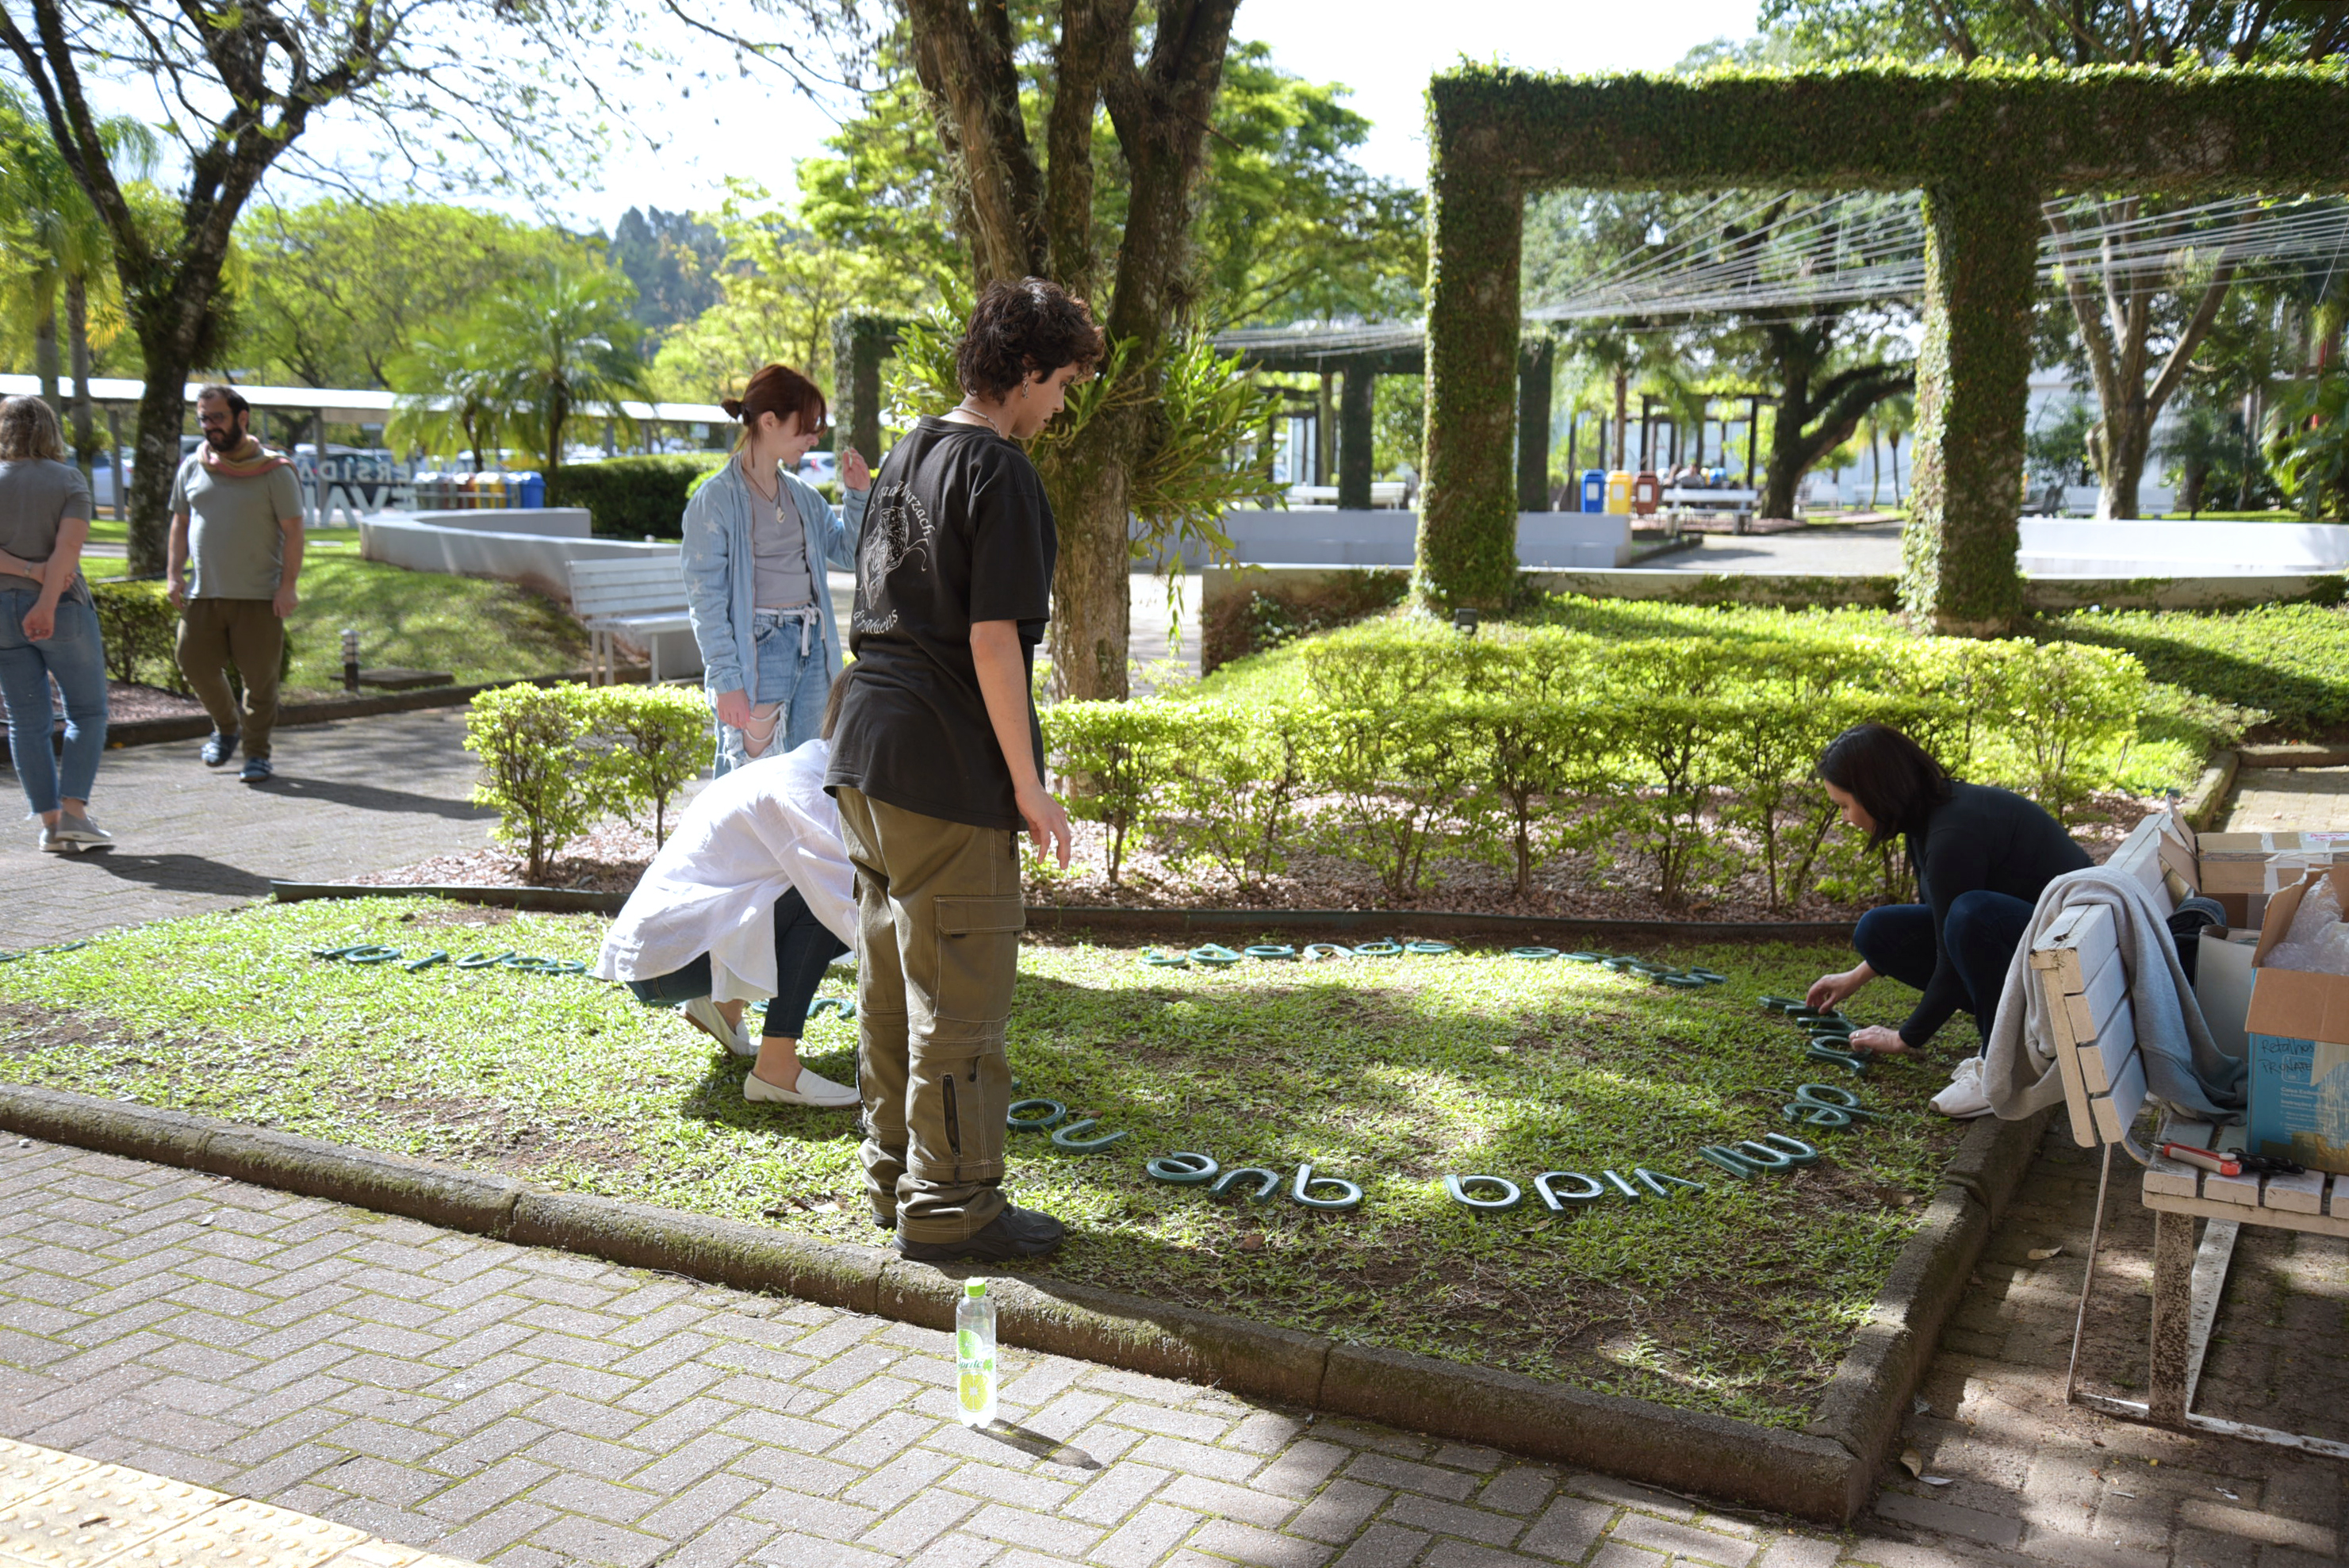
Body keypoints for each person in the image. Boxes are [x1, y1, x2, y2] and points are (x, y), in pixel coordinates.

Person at [826, 278, 1096, 1264]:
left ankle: (891, 1172)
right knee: (963, 992)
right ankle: (951, 1206)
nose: (1061, 403)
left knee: (893, 976)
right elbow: (993, 641)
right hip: (940, 760)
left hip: (863, 749)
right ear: (1024, 371)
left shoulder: (908, 455)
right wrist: (1027, 784)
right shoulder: (1001, 470)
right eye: (1061, 381)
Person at [593, 679, 861, 1109]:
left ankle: (720, 1008)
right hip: (667, 966)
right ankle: (776, 1070)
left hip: (663, 955)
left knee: (793, 890)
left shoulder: (793, 767)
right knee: (820, 902)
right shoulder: (807, 791)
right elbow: (842, 906)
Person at [1806, 722, 2092, 1118]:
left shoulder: (1951, 835)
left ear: (1876, 793)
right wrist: (1855, 977)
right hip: (2046, 948)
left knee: (1971, 916)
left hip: (2074, 973)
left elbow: (1955, 948)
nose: (1846, 819)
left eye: (1845, 805)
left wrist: (1905, 1038)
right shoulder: (1931, 816)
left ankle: (2003, 1065)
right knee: (1878, 931)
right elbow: (1942, 930)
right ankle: (2007, 1043)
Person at [682, 364, 870, 776]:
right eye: (806, 428)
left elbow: (850, 554)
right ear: (769, 422)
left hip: (813, 645)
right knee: (752, 783)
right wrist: (726, 680)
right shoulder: (714, 501)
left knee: (808, 779)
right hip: (759, 650)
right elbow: (706, 600)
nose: (815, 439)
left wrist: (857, 496)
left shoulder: (803, 496)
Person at [170, 385, 305, 784]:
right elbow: (179, 523)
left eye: (218, 417)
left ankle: (257, 754)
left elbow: (294, 532)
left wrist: (288, 585)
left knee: (260, 681)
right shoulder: (193, 467)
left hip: (260, 596)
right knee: (191, 661)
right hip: (204, 592)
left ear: (242, 418)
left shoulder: (275, 471)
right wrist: (174, 573)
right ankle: (227, 727)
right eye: (204, 419)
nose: (210, 427)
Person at [0, 395, 112, 853]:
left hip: (2, 613)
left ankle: (49, 826)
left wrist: (24, 572)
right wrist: (45, 601)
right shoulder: (68, 479)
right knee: (87, 711)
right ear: (50, 429)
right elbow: (67, 551)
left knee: (27, 722)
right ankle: (74, 814)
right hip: (63, 609)